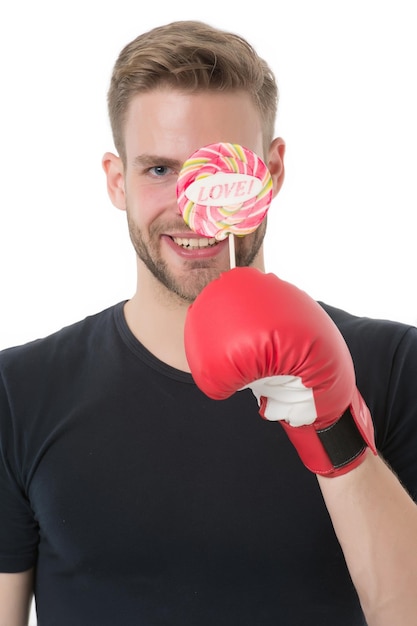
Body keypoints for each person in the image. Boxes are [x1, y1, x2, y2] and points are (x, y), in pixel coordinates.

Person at [1, 20, 417, 626]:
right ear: (118, 182)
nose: (196, 206)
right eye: (160, 171)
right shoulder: (18, 392)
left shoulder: (396, 366)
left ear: (272, 172)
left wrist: (336, 430)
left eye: (223, 173)